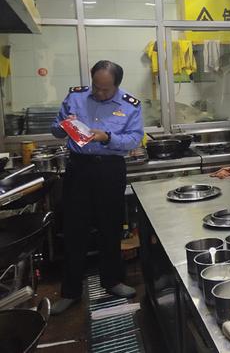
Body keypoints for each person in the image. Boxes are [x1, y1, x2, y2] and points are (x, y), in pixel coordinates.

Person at [50, 60, 144, 314]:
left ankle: (112, 281)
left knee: (110, 228)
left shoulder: (130, 105)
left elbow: (134, 139)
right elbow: (55, 129)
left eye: (106, 89)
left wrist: (108, 137)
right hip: (78, 169)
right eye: (96, 87)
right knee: (74, 231)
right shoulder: (76, 97)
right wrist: (63, 126)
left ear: (117, 85)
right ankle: (70, 292)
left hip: (110, 170)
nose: (100, 93)